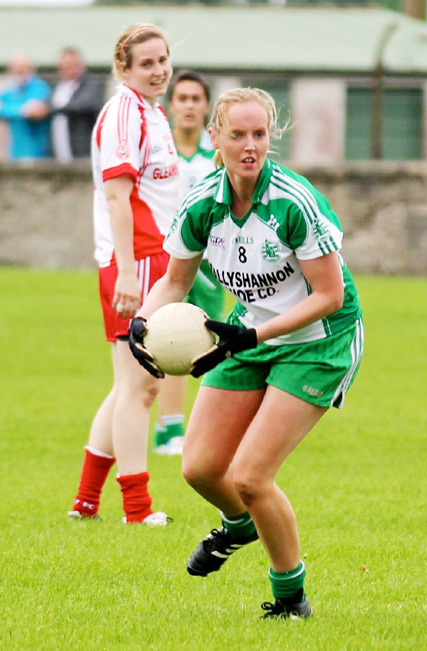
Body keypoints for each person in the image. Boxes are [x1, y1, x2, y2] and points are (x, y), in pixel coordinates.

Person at [128, 87, 364, 617]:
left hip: (318, 342)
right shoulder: (202, 206)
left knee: (251, 477)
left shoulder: (293, 201)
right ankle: (239, 526)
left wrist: (253, 336)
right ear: (216, 137)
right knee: (201, 468)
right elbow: (174, 281)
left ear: (270, 138)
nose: (250, 145)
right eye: (238, 134)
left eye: (260, 134)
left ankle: (290, 600)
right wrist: (142, 321)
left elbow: (329, 296)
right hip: (249, 334)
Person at [68, 23, 182, 525]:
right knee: (143, 387)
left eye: (163, 60)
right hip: (132, 260)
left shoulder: (152, 113)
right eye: (147, 63)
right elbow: (117, 196)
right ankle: (137, 509)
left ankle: (86, 502)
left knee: (127, 385)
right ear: (124, 69)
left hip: (152, 257)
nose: (159, 70)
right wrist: (128, 275)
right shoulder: (123, 113)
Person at [153, 70, 225, 455]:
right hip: (168, 260)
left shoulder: (214, 159)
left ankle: (203, 429)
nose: (190, 105)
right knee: (168, 336)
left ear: (207, 106)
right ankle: (169, 428)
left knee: (208, 342)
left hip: (211, 264)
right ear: (170, 106)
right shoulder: (161, 156)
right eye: (182, 98)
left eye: (197, 99)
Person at [50, 48, 104, 162]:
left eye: (71, 64)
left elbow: (83, 104)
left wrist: (52, 109)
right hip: (59, 148)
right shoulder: (56, 86)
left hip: (83, 149)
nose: (67, 68)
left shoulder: (91, 83)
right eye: (64, 65)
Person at [0, 53, 51, 160]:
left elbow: (34, 111)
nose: (20, 71)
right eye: (16, 68)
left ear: (31, 69)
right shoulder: (10, 92)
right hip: (15, 152)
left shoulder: (40, 87)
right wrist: (22, 109)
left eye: (23, 67)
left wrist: (9, 109)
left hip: (37, 152)